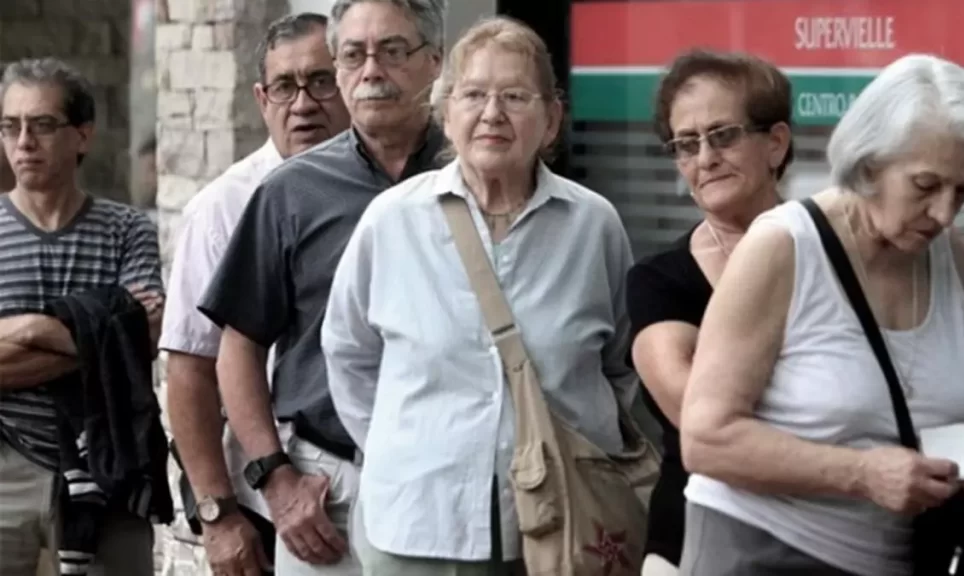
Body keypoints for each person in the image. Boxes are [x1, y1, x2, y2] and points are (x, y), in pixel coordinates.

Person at [679, 53, 964, 575]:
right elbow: (705, 439)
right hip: (761, 553)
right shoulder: (783, 247)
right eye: (925, 186)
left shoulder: (951, 254)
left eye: (962, 191)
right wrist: (861, 473)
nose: (944, 213)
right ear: (868, 165)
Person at [321, 16, 637, 574]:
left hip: (564, 522)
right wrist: (407, 450)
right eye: (472, 95)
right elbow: (349, 355)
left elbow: (620, 365)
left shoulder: (594, 225)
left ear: (551, 119)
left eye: (514, 96)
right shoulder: (391, 221)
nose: (492, 113)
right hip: (416, 522)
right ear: (446, 114)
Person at [197, 0, 445, 573]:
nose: (371, 70)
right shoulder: (291, 191)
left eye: (393, 51)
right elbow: (238, 348)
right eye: (353, 55)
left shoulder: (471, 177)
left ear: (434, 61)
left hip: (448, 482)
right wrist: (275, 478)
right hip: (327, 489)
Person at [162, 13, 350, 576]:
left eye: (321, 81)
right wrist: (218, 517)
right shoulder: (222, 208)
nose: (304, 104)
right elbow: (190, 370)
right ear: (261, 99)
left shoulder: (392, 190)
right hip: (264, 500)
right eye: (285, 87)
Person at [624, 49, 793, 576]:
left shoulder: (836, 254)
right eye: (686, 144)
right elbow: (701, 422)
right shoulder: (658, 281)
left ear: (776, 143)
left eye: (723, 136)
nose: (705, 158)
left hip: (832, 539)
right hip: (691, 543)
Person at [0, 58, 165, 575]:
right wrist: (103, 337)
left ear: (83, 135)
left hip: (110, 458)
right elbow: (123, 337)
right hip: (5, 464)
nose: (23, 141)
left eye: (42, 124)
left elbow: (145, 334)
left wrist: (26, 330)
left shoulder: (128, 230)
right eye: (10, 125)